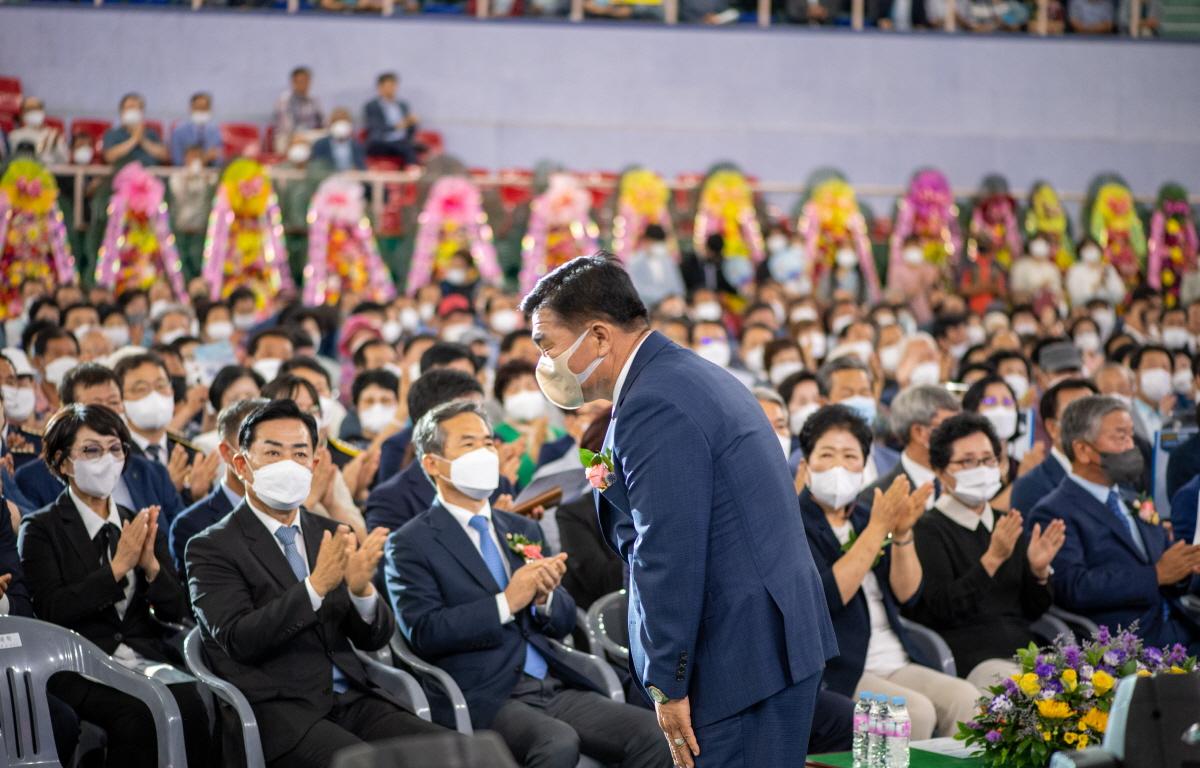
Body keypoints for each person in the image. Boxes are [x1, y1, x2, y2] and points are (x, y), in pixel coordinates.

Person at [520, 255, 836, 768]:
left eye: (547, 345)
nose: (546, 363)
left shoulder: (654, 404)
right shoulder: (689, 375)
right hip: (768, 639)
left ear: (599, 337)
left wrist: (668, 682)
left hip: (735, 658)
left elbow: (668, 553)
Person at [386, 400, 672, 768]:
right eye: (469, 444)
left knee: (653, 735)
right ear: (432, 463)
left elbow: (565, 621)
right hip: (485, 692)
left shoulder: (520, 528)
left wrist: (545, 600)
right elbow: (424, 631)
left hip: (552, 681)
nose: (485, 452)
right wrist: (506, 602)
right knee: (557, 743)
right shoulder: (411, 543)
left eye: (489, 442)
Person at [186, 400, 447, 768]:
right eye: (273, 452)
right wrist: (315, 588)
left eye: (299, 453)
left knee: (459, 752)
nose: (288, 464)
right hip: (282, 715)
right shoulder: (210, 547)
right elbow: (238, 639)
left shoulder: (326, 531)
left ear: (315, 463)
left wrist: (361, 593)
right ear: (242, 464)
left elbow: (372, 639)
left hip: (354, 701)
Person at [18, 404, 212, 768]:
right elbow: (50, 610)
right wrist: (118, 567)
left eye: (115, 448)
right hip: (77, 665)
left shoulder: (135, 521)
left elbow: (176, 610)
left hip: (141, 656)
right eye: (91, 450)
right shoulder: (41, 528)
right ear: (63, 462)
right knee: (137, 714)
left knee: (192, 700)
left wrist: (152, 568)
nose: (106, 459)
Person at [796, 404, 978, 740]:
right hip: (842, 667)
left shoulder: (866, 515)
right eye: (827, 455)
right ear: (806, 465)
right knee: (915, 713)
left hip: (894, 654)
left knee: (969, 700)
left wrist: (904, 532)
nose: (839, 465)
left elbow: (907, 594)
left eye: (850, 456)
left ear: (864, 466)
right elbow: (826, 599)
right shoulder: (795, 523)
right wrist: (879, 528)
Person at [1028, 396, 1200, 654]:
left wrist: (1185, 567)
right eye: (1120, 437)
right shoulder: (1054, 511)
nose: (1132, 446)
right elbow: (1075, 587)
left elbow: (1166, 565)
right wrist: (1155, 575)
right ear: (1083, 450)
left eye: (1131, 435)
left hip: (1178, 624)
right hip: (1124, 638)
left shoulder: (1133, 498)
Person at [906, 413, 1065, 688]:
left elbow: (1032, 610)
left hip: (1024, 648)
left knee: (1082, 686)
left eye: (988, 460)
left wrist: (1038, 574)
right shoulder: (928, 529)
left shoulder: (1006, 522)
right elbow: (941, 609)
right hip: (971, 653)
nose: (980, 468)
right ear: (941, 470)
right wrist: (991, 560)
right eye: (967, 461)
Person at [14, 364, 184, 520]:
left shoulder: (152, 473)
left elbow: (177, 541)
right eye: (95, 406)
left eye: (113, 402)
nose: (107, 412)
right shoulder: (33, 479)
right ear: (69, 412)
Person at [168, 397, 264, 579]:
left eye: (274, 447)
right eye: (252, 442)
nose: (266, 455)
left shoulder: (293, 512)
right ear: (227, 453)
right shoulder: (192, 525)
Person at [859, 384, 961, 510]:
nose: (960, 435)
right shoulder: (876, 498)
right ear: (918, 432)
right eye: (950, 427)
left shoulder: (966, 483)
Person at [1010, 378, 1099, 516]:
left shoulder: (1116, 474)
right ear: (1052, 428)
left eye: (1094, 413)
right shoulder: (1030, 487)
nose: (1088, 422)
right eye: (1075, 415)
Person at [816, 355, 899, 485]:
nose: (858, 399)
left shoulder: (894, 463)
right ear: (823, 403)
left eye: (865, 393)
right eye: (847, 394)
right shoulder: (806, 464)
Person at [494, 360, 573, 491]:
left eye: (530, 387)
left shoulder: (559, 434)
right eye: (514, 390)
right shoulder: (497, 436)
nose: (524, 394)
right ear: (502, 399)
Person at [363, 71, 422, 166]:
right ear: (380, 88)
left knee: (420, 147)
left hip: (401, 141)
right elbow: (375, 127)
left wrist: (412, 123)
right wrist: (397, 126)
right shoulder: (372, 106)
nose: (392, 89)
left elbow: (409, 131)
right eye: (388, 86)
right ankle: (412, 170)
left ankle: (412, 174)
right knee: (406, 149)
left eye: (393, 86)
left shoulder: (403, 105)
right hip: (381, 142)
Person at [101, 93, 168, 169]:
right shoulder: (112, 134)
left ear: (142, 112)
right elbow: (109, 157)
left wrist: (142, 140)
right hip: (123, 175)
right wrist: (134, 139)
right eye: (130, 108)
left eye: (137, 108)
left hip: (150, 175)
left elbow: (164, 156)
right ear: (122, 112)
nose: (133, 111)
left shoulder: (151, 133)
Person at [627, 225, 685, 310]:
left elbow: (678, 285)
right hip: (646, 307)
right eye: (656, 242)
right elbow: (635, 288)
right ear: (646, 241)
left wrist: (675, 298)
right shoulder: (635, 262)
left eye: (661, 243)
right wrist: (662, 298)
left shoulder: (668, 260)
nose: (659, 246)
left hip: (670, 306)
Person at [272, 65, 325, 154]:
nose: (304, 84)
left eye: (306, 81)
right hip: (288, 137)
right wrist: (298, 137)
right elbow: (287, 127)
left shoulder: (314, 100)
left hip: (310, 135)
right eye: (301, 81)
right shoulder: (285, 100)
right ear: (294, 82)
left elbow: (323, 122)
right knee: (297, 141)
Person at [7, 96, 67, 165]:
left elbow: (64, 161)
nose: (34, 111)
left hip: (53, 174)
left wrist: (56, 147)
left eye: (37, 108)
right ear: (22, 114)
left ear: (42, 111)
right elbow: (18, 160)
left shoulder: (54, 134)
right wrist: (42, 151)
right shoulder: (15, 135)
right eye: (29, 109)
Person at [169, 91, 221, 166]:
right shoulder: (179, 131)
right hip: (184, 173)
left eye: (204, 108)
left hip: (209, 172)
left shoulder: (215, 131)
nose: (200, 111)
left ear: (209, 109)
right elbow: (177, 161)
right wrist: (205, 158)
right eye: (197, 108)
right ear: (190, 108)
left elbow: (218, 161)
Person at [311, 108, 367, 173]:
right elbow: (316, 168)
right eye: (337, 122)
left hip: (351, 180)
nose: (341, 126)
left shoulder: (357, 145)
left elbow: (362, 168)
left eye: (344, 122)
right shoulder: (320, 145)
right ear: (331, 124)